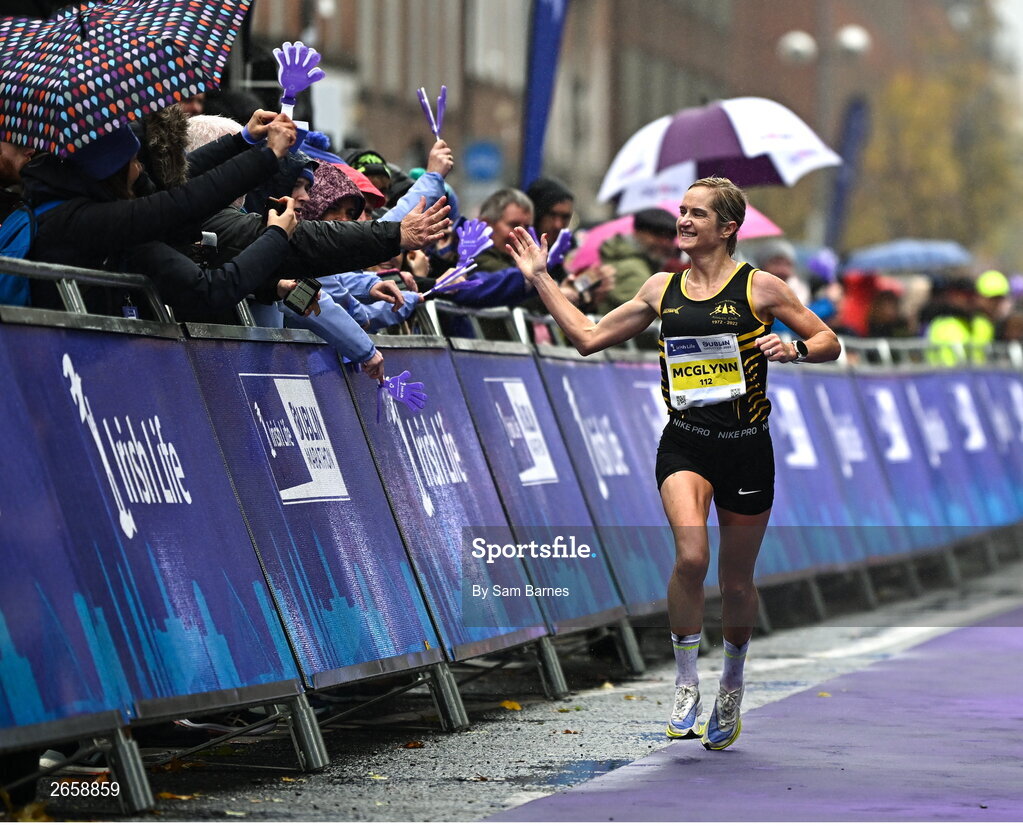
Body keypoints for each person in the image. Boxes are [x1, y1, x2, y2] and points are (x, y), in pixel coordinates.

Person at [506, 177, 841, 750]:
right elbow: (587, 336)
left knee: (736, 583)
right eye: (681, 212)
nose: (683, 221)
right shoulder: (662, 288)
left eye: (697, 214)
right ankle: (686, 682)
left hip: (747, 446)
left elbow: (830, 340)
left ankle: (730, 684)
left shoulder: (760, 288)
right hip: (685, 442)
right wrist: (539, 277)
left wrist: (795, 347)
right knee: (691, 556)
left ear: (727, 228)